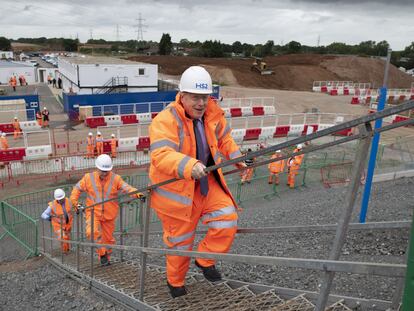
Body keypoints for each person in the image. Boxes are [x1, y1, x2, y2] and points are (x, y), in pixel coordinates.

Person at [149, 66, 246, 298]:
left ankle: (204, 259)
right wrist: (189, 165)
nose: (201, 103)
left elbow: (225, 139)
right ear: (182, 96)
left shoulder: (212, 114)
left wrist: (240, 158)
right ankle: (175, 283)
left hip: (206, 183)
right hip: (178, 193)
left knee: (227, 218)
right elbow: (161, 154)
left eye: (205, 97)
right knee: (180, 245)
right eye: (196, 97)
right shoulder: (165, 121)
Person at [70, 154, 144, 266]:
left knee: (108, 240)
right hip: (93, 212)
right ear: (97, 168)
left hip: (109, 214)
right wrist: (75, 203)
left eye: (107, 171)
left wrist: (138, 194)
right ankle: (102, 253)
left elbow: (127, 188)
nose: (105, 173)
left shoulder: (116, 179)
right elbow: (76, 189)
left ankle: (106, 259)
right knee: (92, 232)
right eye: (102, 171)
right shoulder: (88, 178)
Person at [41, 189, 73, 253]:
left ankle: (67, 249)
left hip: (68, 223)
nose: (61, 200)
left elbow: (74, 206)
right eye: (59, 199)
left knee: (67, 237)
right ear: (56, 199)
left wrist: (78, 209)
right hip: (57, 225)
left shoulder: (69, 201)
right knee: (63, 237)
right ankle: (65, 251)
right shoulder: (52, 205)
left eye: (62, 198)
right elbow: (43, 214)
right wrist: (48, 217)